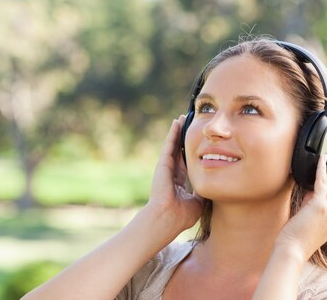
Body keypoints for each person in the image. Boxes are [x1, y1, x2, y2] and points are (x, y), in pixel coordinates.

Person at [22, 38, 327, 300]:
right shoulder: (141, 274)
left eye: (250, 109)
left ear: (309, 143)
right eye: (206, 107)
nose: (214, 128)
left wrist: (291, 252)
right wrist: (156, 219)